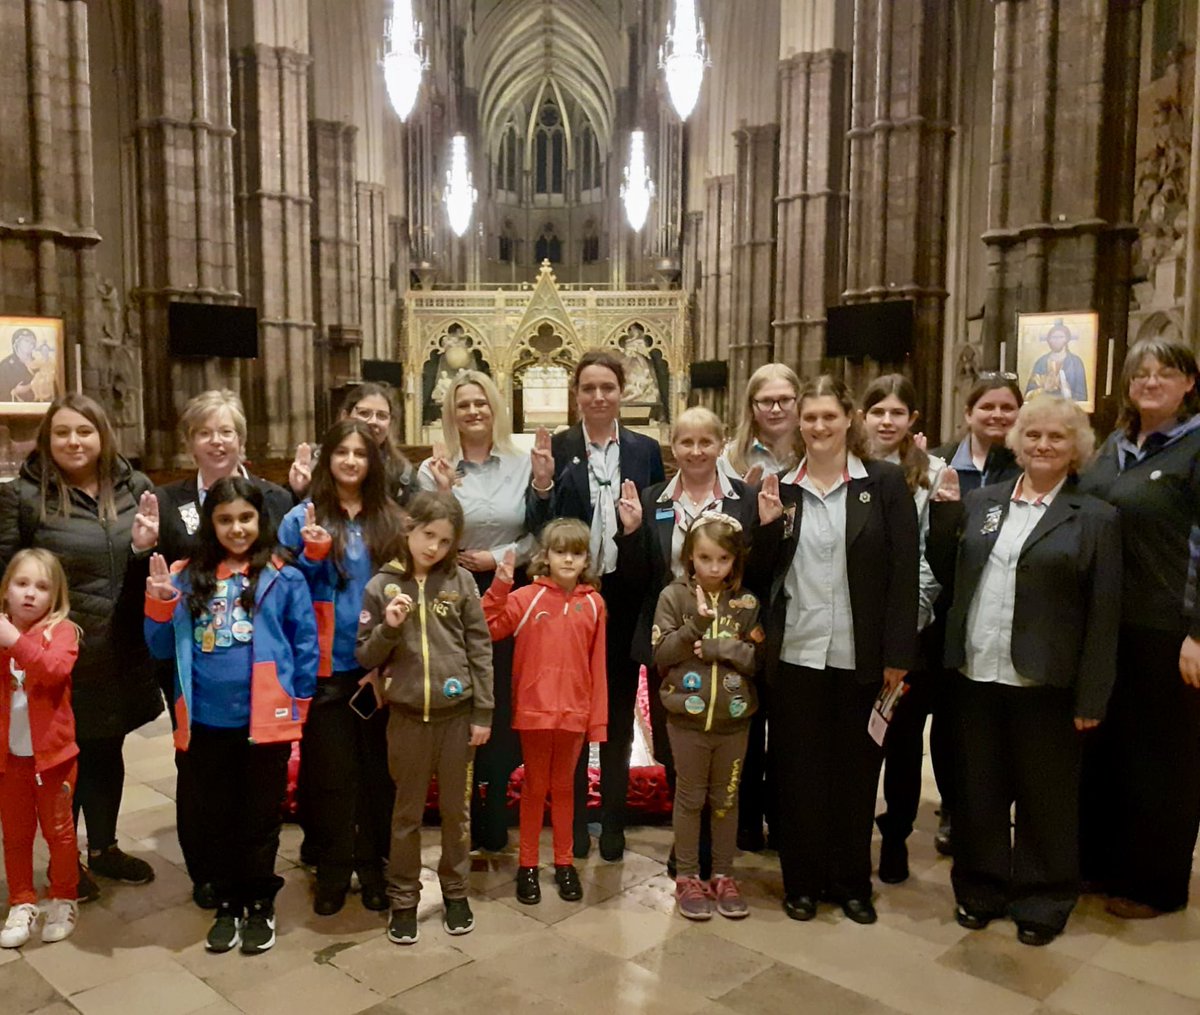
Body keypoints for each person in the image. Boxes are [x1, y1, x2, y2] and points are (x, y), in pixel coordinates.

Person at [945, 398, 1120, 945]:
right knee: (980, 790)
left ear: (1077, 450)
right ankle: (981, 886)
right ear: (1017, 443)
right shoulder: (984, 503)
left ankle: (1043, 898)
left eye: (1057, 438)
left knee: (1046, 796)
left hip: (1046, 680)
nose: (1043, 445)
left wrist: (1092, 696)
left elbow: (1104, 613)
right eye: (1034, 435)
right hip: (978, 670)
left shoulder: (1094, 518)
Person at [749, 375, 918, 925]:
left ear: (850, 419)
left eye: (829, 416)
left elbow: (902, 573)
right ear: (799, 424)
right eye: (810, 417)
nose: (819, 426)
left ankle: (851, 883)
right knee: (797, 775)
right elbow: (758, 575)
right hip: (796, 653)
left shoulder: (886, 485)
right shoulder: (780, 487)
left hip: (859, 655)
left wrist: (897, 654)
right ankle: (801, 882)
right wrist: (769, 528)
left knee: (855, 773)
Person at [0, 394, 164, 903]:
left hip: (118, 646)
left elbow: (150, 562)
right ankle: (63, 862)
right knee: (57, 762)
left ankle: (105, 848)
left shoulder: (133, 487)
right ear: (49, 439)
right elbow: (5, 573)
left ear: (102, 436)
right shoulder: (23, 496)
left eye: (84, 431)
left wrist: (143, 547)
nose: (75, 441)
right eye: (63, 432)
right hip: (55, 654)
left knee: (106, 749)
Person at [144, 477, 318, 955]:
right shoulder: (184, 575)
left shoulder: (284, 575)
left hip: (266, 720)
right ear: (210, 524)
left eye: (245, 518)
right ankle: (226, 901)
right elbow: (160, 646)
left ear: (260, 520)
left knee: (260, 817)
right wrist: (159, 601)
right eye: (225, 519)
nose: (237, 528)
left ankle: (259, 901)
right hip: (206, 722)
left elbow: (305, 644)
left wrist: (298, 705)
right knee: (215, 815)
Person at [154, 389, 293, 908]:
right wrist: (144, 546)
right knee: (198, 772)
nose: (217, 441)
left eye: (226, 431)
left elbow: (287, 566)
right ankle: (207, 871)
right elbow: (155, 580)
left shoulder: (274, 497)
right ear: (190, 441)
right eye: (205, 431)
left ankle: (248, 868)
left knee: (253, 773)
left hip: (254, 660)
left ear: (242, 438)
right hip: (194, 662)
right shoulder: (166, 501)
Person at [1078, 336, 1200, 919]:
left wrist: (1199, 633)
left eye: (1165, 373)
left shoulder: (1195, 448)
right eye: (1140, 374)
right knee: (1106, 749)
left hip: (1166, 628)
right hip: (1108, 624)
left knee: (1162, 758)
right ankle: (1101, 864)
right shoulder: (1114, 446)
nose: (1151, 383)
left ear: (1188, 383)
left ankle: (1155, 883)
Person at [615, 406, 761, 876]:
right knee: (681, 754)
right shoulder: (656, 498)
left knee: (729, 760)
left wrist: (772, 526)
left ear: (721, 444)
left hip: (731, 650)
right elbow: (641, 579)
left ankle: (721, 857)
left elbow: (757, 574)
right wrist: (634, 533)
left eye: (705, 442)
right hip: (674, 646)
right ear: (672, 448)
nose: (696, 451)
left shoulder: (744, 498)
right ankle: (687, 850)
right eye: (685, 442)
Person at [537, 349, 664, 861]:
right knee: (570, 712)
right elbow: (539, 525)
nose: (597, 397)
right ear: (576, 395)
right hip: (573, 598)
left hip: (626, 596)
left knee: (613, 712)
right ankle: (571, 823)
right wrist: (543, 484)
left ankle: (612, 820)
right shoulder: (560, 446)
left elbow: (658, 520)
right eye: (587, 388)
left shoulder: (646, 449)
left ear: (621, 392)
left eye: (606, 387)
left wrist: (636, 537)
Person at [420, 370, 554, 852]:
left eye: (481, 403)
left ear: (494, 407)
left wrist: (496, 558)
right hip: (453, 594)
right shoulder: (435, 467)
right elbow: (427, 538)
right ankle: (462, 808)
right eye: (463, 404)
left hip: (508, 591)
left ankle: (496, 804)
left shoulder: (520, 464)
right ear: (450, 414)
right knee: (461, 697)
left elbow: (537, 533)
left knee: (500, 697)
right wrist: (440, 493)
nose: (473, 411)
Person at [278, 419, 406, 916]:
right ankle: (332, 868)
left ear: (373, 462)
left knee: (378, 775)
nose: (351, 461)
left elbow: (402, 591)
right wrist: (311, 556)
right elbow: (287, 594)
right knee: (329, 775)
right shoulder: (302, 517)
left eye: (361, 453)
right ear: (326, 460)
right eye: (342, 452)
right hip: (325, 667)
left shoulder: (392, 520)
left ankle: (373, 867)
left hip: (377, 664)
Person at [356, 492, 493, 945]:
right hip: (408, 719)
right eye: (427, 535)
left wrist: (483, 712)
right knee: (406, 815)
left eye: (444, 540)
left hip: (456, 719)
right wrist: (389, 627)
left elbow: (480, 650)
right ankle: (404, 900)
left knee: (457, 815)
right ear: (409, 529)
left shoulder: (461, 583)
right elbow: (365, 655)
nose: (433, 547)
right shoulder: (381, 586)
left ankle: (456, 892)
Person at [482, 519, 607, 906]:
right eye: (560, 551)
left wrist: (596, 720)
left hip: (574, 712)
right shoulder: (526, 597)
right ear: (546, 557)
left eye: (576, 552)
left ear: (586, 558)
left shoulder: (594, 603)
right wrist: (501, 583)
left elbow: (598, 666)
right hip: (535, 712)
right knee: (535, 788)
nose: (568, 559)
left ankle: (565, 863)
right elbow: (488, 626)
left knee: (567, 788)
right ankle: (529, 866)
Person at [925, 374, 1023, 853]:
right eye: (988, 407)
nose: (998, 416)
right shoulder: (939, 461)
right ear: (968, 413)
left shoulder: (1025, 462)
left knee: (996, 713)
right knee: (951, 715)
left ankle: (992, 806)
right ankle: (952, 806)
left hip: (1006, 606)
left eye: (1008, 408)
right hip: (950, 605)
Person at [860, 375, 949, 883]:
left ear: (913, 419)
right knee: (859, 739)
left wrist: (903, 628)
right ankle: (852, 831)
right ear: (863, 417)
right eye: (879, 412)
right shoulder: (853, 469)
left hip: (909, 631)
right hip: (856, 630)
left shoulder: (932, 474)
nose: (887, 421)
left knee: (903, 739)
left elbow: (929, 560)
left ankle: (895, 836)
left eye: (898, 413)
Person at [652, 513, 762, 921]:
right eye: (704, 558)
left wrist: (721, 648)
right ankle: (686, 876)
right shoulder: (673, 598)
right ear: (689, 557)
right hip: (687, 723)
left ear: (734, 560)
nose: (714, 568)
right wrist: (697, 624)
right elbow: (662, 654)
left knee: (725, 800)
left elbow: (757, 659)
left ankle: (722, 874)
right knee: (689, 798)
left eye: (722, 559)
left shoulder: (747, 603)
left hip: (734, 723)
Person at [716, 362, 802, 851]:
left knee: (788, 721)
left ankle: (783, 816)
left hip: (798, 596)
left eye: (783, 400)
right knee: (745, 716)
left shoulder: (814, 451)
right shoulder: (732, 459)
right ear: (751, 407)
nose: (774, 409)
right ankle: (745, 819)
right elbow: (721, 533)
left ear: (797, 403)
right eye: (764, 401)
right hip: (750, 597)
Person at [0, 550, 81, 948]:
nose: (30, 594)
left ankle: (64, 895)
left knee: (59, 833)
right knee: (15, 835)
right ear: (6, 591)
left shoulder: (61, 633)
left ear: (56, 596)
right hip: (9, 760)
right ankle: (21, 899)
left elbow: (53, 671)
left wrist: (14, 641)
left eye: (42, 586)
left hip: (53, 759)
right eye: (22, 584)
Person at [290, 382, 416, 506]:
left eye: (382, 416)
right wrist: (301, 492)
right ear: (345, 416)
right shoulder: (317, 461)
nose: (373, 421)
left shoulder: (403, 472)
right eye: (364, 413)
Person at [1024, 319, 1088, 402]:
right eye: (1053, 337)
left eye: (1061, 337)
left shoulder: (1075, 362)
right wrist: (1043, 390)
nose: (1057, 340)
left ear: (1067, 339)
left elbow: (1082, 396)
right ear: (1048, 340)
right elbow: (1028, 397)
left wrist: (1068, 392)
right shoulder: (1041, 362)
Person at [0, 327, 37, 403]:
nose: (31, 344)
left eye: (33, 341)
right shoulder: (5, 366)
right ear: (16, 344)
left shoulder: (40, 364)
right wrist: (14, 392)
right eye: (27, 341)